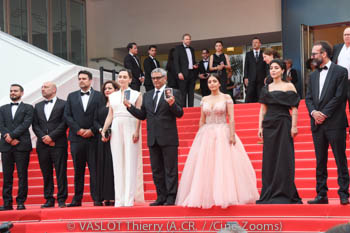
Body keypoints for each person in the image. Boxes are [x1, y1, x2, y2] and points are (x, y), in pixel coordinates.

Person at [176, 74, 259, 208]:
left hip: (223, 132)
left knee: (223, 164)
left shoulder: (226, 98)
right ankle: (206, 194)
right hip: (207, 133)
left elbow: (231, 117)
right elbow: (202, 119)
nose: (212, 84)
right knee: (206, 165)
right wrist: (199, 137)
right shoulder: (204, 99)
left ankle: (225, 194)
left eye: (215, 81)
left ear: (220, 83)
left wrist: (232, 134)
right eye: (209, 82)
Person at [125, 68, 184, 206]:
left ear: (165, 78)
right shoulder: (147, 95)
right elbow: (143, 115)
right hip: (152, 138)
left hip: (168, 137)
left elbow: (179, 113)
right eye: (153, 78)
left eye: (159, 78)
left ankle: (171, 197)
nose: (156, 81)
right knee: (156, 169)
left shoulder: (174, 93)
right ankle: (161, 196)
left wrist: (172, 104)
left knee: (170, 169)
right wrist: (129, 107)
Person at [305, 41, 349, 205]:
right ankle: (321, 194)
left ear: (324, 54)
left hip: (335, 123)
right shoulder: (313, 74)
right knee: (320, 160)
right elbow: (308, 97)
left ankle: (344, 193)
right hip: (317, 124)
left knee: (340, 159)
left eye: (314, 54)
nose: (312, 57)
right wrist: (314, 112)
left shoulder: (341, 72)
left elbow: (340, 97)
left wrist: (324, 113)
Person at [256, 59, 302, 204]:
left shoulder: (289, 86)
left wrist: (294, 126)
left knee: (284, 158)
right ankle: (269, 191)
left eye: (276, 68)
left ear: (282, 70)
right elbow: (262, 110)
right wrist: (260, 127)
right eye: (271, 68)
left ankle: (285, 192)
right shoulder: (266, 88)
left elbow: (294, 108)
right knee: (269, 159)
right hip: (269, 124)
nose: (273, 70)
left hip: (283, 123)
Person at [102, 69, 144, 207]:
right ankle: (119, 199)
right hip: (116, 126)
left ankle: (129, 199)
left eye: (125, 77)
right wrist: (104, 129)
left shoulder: (136, 94)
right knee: (117, 162)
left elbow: (139, 113)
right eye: (120, 77)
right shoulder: (112, 96)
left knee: (130, 162)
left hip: (131, 125)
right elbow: (110, 114)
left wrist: (137, 131)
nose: (121, 79)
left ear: (130, 79)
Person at [64, 70, 103, 207]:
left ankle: (97, 198)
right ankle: (77, 199)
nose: (81, 80)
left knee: (95, 170)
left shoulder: (99, 96)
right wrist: (79, 130)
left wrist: (92, 130)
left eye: (84, 78)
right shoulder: (71, 96)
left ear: (91, 80)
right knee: (78, 170)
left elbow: (101, 115)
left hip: (94, 138)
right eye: (79, 78)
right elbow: (67, 116)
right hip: (76, 139)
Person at [32, 82, 68, 208]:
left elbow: (64, 123)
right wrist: (44, 138)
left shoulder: (64, 104)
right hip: (42, 144)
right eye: (42, 87)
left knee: (61, 172)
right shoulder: (37, 106)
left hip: (58, 143)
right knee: (46, 173)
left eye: (45, 87)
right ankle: (49, 199)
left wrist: (52, 137)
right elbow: (35, 125)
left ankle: (62, 199)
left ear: (54, 90)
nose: (42, 89)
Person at [0, 84, 34, 211]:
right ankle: (7, 202)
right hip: (6, 145)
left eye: (15, 91)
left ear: (22, 93)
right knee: (7, 176)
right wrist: (7, 137)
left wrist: (13, 136)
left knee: (22, 175)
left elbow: (26, 124)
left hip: (21, 145)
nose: (13, 93)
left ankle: (21, 202)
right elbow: (1, 125)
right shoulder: (2, 108)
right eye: (11, 91)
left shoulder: (29, 108)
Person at [94, 80, 119, 206]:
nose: (107, 90)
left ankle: (114, 196)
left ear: (115, 89)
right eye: (105, 89)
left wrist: (109, 132)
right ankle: (104, 196)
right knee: (103, 167)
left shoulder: (119, 103)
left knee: (112, 167)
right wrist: (101, 131)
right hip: (102, 139)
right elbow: (95, 120)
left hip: (115, 137)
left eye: (110, 88)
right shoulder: (100, 104)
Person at [174, 33, 197, 107]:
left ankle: (191, 108)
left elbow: (192, 61)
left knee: (191, 93)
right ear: (182, 40)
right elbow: (176, 62)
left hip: (191, 73)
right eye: (186, 39)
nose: (188, 40)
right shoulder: (178, 48)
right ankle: (183, 110)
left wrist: (194, 65)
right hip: (183, 74)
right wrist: (178, 72)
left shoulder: (192, 49)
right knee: (183, 93)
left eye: (189, 39)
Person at [244, 37, 267, 103]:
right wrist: (245, 77)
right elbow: (246, 66)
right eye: (253, 43)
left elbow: (266, 66)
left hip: (261, 78)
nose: (254, 44)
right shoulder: (248, 54)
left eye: (256, 42)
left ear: (260, 44)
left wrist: (267, 76)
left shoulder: (264, 53)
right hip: (251, 78)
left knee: (261, 95)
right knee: (249, 95)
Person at [332, 27, 350, 110]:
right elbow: (331, 61)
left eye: (349, 34)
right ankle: (342, 123)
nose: (347, 36)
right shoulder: (337, 47)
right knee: (339, 108)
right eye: (345, 34)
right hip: (339, 83)